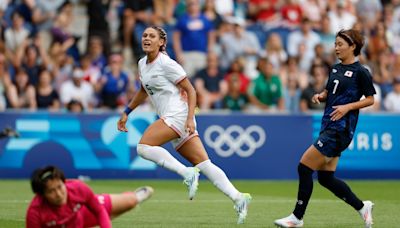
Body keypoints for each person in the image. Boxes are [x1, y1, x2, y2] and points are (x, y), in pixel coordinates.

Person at [117, 26, 251, 224]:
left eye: (152, 36)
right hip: (173, 116)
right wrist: (127, 112)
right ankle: (239, 198)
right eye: (144, 35)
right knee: (205, 164)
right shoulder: (142, 64)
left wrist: (189, 118)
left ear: (161, 42)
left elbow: (191, 90)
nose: (146, 38)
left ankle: (186, 173)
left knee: (143, 147)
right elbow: (144, 90)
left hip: (178, 115)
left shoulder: (167, 64)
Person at [274, 29, 376, 228]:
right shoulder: (336, 68)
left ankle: (297, 217)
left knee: (304, 167)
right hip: (328, 125)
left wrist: (348, 107)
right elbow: (331, 91)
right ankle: (362, 206)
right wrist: (321, 95)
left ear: (352, 46)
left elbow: (371, 99)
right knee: (326, 178)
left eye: (340, 44)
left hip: (341, 129)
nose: (336, 47)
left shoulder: (361, 72)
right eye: (335, 44)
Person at [26, 166, 153, 228]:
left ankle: (135, 197)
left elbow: (99, 210)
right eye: (51, 191)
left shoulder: (77, 188)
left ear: (64, 182)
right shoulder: (35, 213)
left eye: (60, 187)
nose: (59, 194)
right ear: (42, 194)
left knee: (130, 202)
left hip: (83, 214)